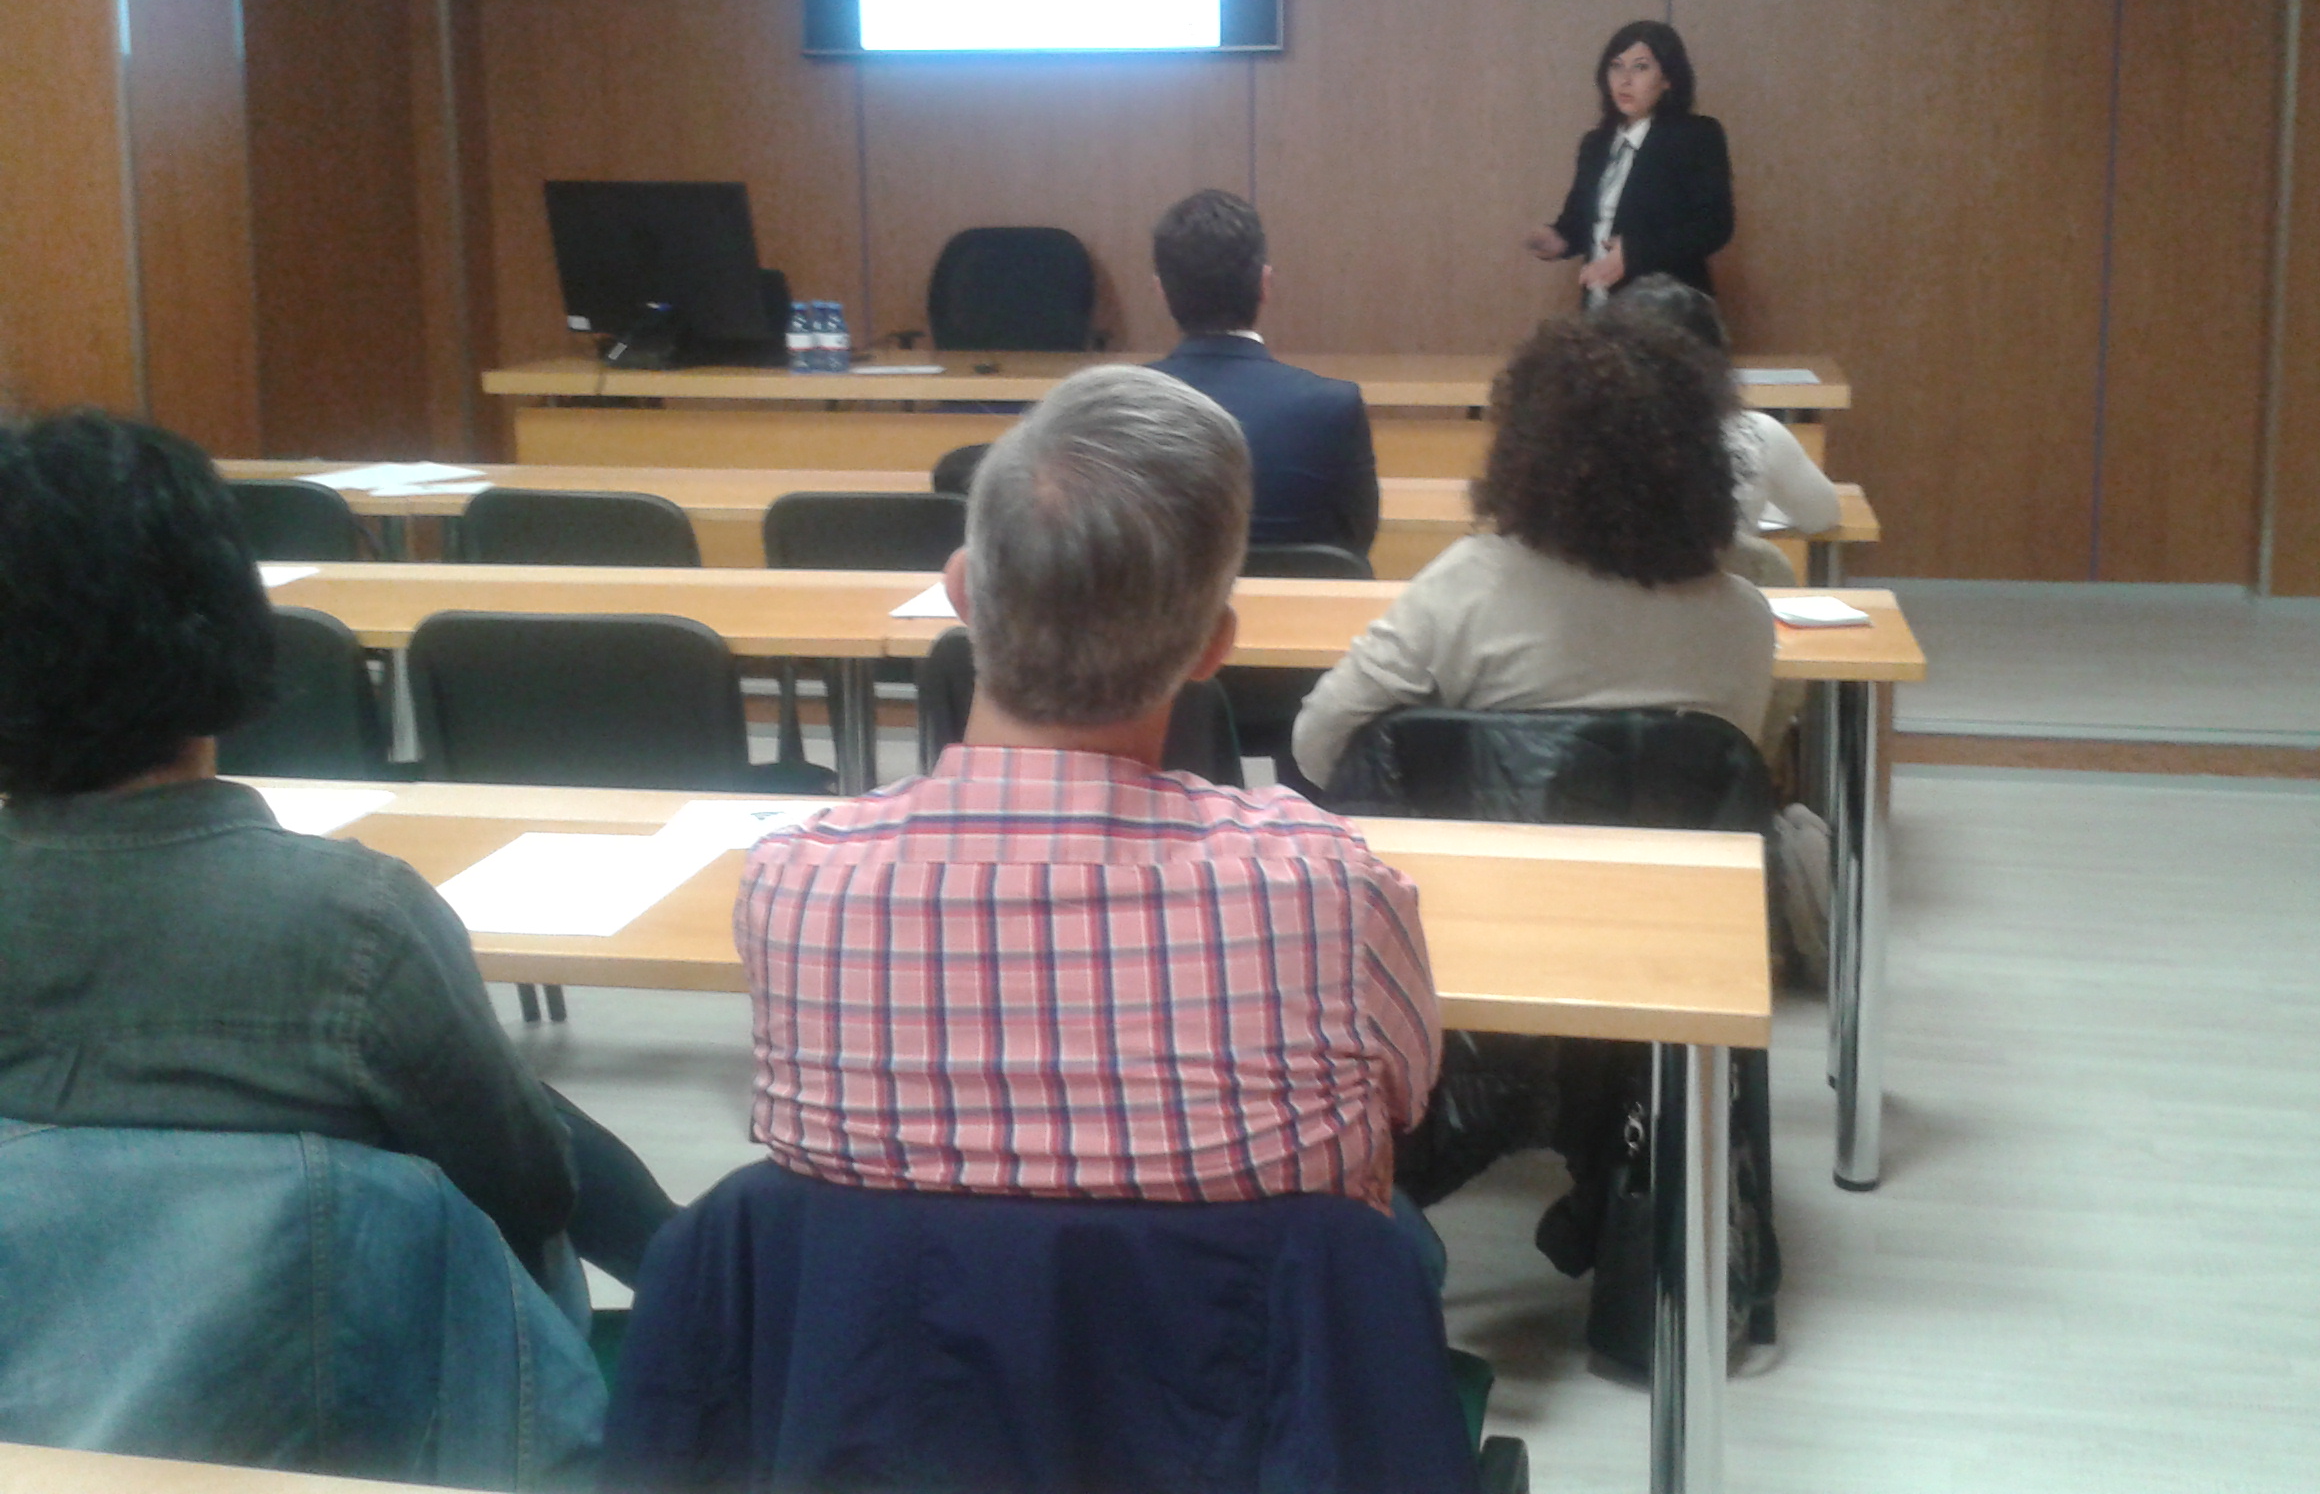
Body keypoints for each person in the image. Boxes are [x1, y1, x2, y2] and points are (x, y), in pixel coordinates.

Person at [738, 367, 1440, 1231]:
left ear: (960, 591)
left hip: (903, 1321)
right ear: (1214, 646)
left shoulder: (790, 886)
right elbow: (1405, 1100)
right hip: (1245, 1318)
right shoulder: (1334, 890)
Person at [0, 409, 674, 1285]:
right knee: (518, 1123)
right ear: (227, 620)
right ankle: (701, 1299)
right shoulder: (359, 924)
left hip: (30, 1339)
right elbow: (529, 1195)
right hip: (326, 1353)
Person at [1292, 312, 1774, 791]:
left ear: (1526, 450)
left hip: (1479, 842)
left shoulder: (1469, 585)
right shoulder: (1744, 620)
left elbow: (1316, 743)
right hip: (1683, 844)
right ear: (1708, 458)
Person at [1147, 188, 1379, 558]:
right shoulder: (1334, 406)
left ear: (1161, 292)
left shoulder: (1120, 406)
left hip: (1170, 596)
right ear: (1264, 285)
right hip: (1302, 597)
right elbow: (1356, 542)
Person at [1602, 273, 1840, 582]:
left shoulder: (1573, 446)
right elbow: (1822, 516)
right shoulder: (1758, 434)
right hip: (1726, 606)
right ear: (1717, 358)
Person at [1526, 19, 1734, 304]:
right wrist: (1556, 239)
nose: (1624, 80)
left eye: (1640, 67)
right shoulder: (1595, 144)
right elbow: (1580, 222)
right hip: (1600, 305)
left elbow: (1714, 227)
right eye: (1616, 66)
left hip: (1667, 309)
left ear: (1667, 79)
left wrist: (1636, 253)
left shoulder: (1695, 135)